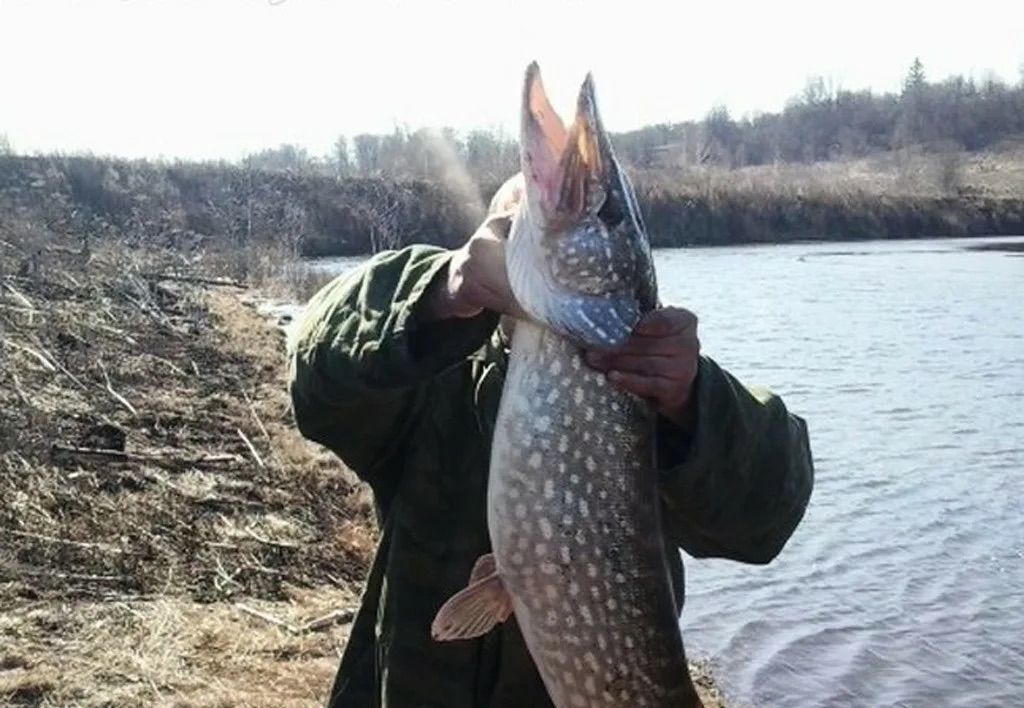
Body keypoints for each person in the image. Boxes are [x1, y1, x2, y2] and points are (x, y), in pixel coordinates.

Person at [288, 180, 814, 708]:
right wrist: (440, 288)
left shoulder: (651, 393)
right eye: (512, 227)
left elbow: (766, 516)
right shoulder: (426, 381)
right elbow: (315, 369)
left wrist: (694, 397)